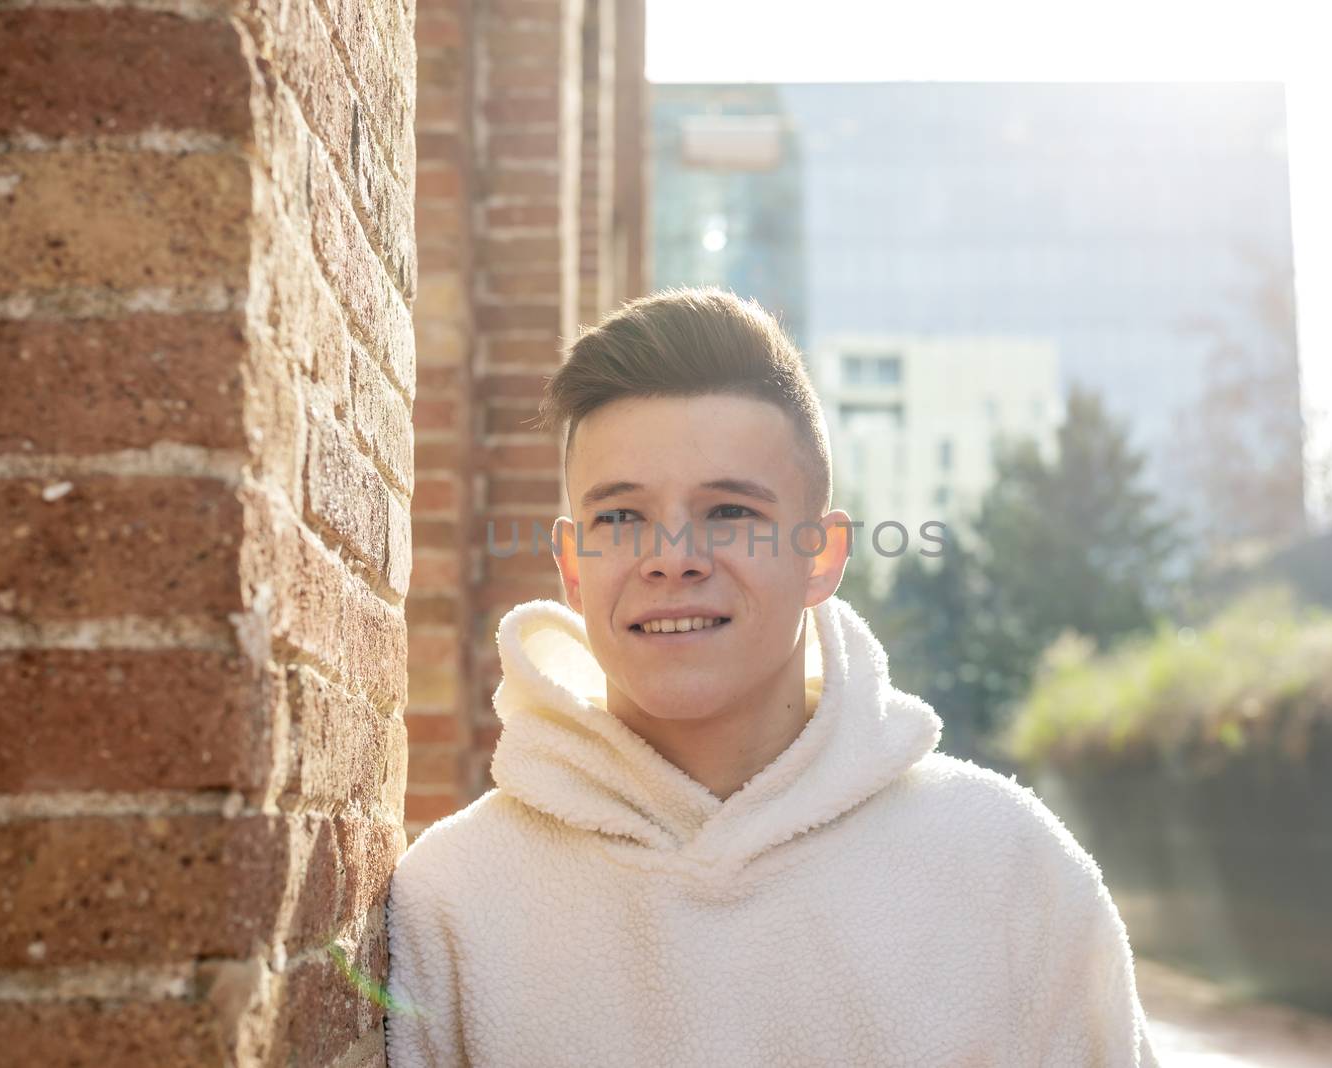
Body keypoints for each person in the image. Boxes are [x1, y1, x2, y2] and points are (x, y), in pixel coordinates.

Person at [384, 286, 1160, 1066]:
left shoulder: (1008, 868)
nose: (673, 556)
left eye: (729, 512)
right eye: (621, 518)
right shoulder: (451, 901)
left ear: (821, 556)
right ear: (573, 568)